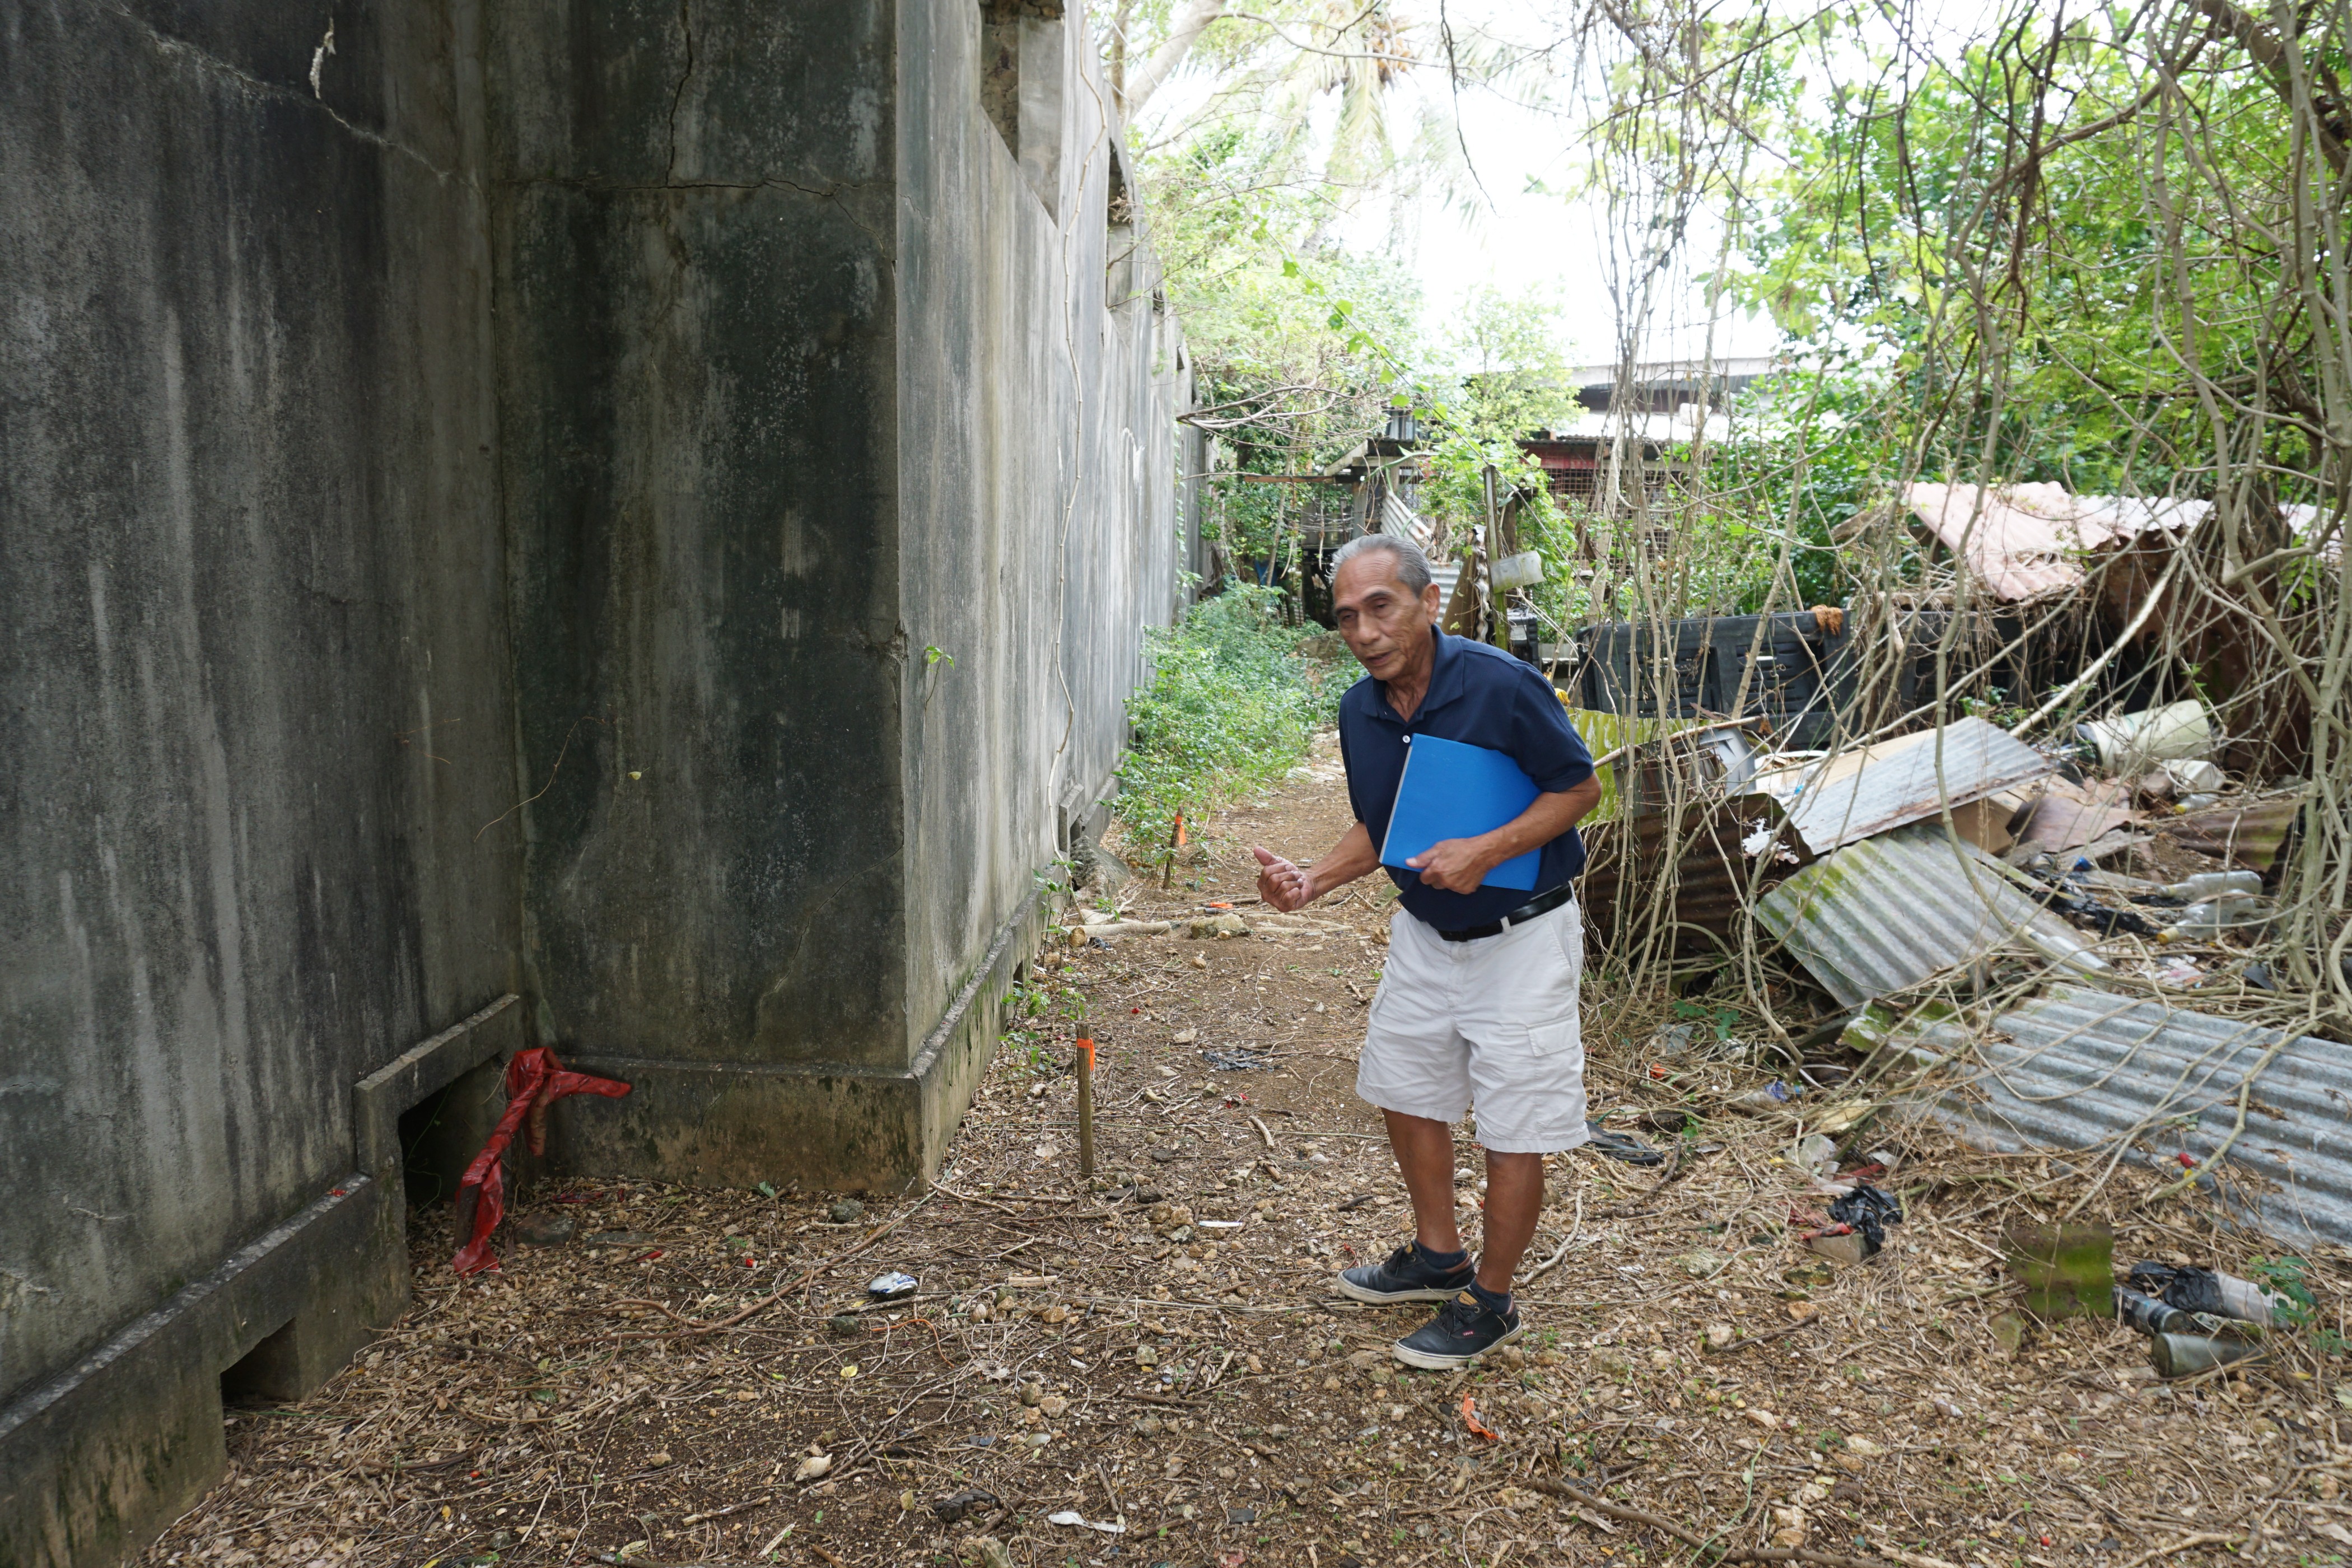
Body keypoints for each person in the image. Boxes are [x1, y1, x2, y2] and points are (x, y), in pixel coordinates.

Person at [1252, 533, 1601, 1369]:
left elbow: (1580, 787)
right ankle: (1438, 1256)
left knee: (1514, 1123)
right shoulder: (1358, 712)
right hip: (1424, 936)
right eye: (1347, 618)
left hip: (1523, 938)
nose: (1365, 632)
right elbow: (1384, 823)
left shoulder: (1502, 686)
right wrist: (1313, 882)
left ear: (1427, 602)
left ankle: (1493, 1298)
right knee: (1405, 1085)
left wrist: (1486, 848)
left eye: (1382, 607)